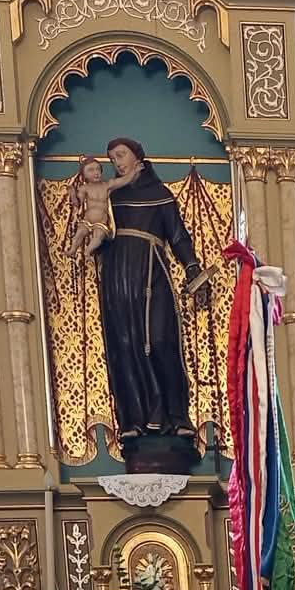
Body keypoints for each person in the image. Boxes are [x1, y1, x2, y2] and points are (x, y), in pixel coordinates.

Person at [95, 137, 211, 448]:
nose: (117, 163)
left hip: (152, 272)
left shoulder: (160, 195)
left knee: (160, 339)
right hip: (118, 275)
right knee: (125, 344)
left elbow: (178, 236)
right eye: (112, 158)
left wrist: (192, 268)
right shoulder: (111, 196)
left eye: (121, 155)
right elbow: (96, 227)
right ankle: (133, 419)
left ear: (137, 156)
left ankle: (176, 415)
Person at [67, 154, 136, 259]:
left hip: (101, 222)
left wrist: (134, 171)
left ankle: (88, 251)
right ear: (84, 175)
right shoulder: (84, 188)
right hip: (87, 220)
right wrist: (73, 195)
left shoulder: (107, 186)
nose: (96, 172)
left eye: (97, 169)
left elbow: (123, 181)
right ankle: (72, 250)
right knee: (79, 234)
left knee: (98, 237)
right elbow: (78, 204)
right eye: (91, 170)